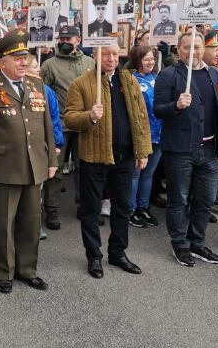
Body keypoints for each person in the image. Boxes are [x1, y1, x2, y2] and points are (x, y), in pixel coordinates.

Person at [0, 29, 57, 293]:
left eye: (25, 57)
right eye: (17, 58)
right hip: (5, 167)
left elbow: (46, 125)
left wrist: (51, 159)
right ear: (2, 62)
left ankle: (27, 270)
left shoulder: (36, 84)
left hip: (34, 165)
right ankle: (4, 272)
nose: (23, 63)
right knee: (4, 225)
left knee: (31, 223)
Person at [64, 44, 151, 278]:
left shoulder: (129, 81)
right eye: (106, 54)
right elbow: (70, 118)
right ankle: (94, 256)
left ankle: (118, 252)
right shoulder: (81, 83)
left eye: (115, 54)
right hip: (94, 158)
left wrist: (142, 151)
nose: (111, 59)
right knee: (91, 209)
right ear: (95, 56)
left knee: (122, 208)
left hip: (124, 157)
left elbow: (141, 116)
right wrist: (89, 117)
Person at [154, 33, 218, 266]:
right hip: (181, 149)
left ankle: (197, 242)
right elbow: (158, 110)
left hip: (208, 149)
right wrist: (175, 106)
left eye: (196, 47)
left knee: (205, 200)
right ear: (179, 50)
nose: (192, 52)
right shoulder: (168, 75)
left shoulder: (212, 74)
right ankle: (180, 244)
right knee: (179, 199)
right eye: (187, 48)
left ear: (203, 48)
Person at [40, 25, 95, 227]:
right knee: (54, 169)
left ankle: (84, 206)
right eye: (61, 39)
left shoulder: (90, 63)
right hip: (60, 126)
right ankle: (52, 209)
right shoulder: (49, 65)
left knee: (84, 169)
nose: (64, 42)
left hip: (83, 124)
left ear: (78, 40)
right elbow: (43, 95)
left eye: (68, 39)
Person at [127, 46, 163, 228]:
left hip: (159, 135)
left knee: (148, 174)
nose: (150, 62)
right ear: (137, 60)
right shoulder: (131, 80)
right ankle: (131, 209)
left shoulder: (158, 79)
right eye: (146, 59)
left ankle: (143, 207)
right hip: (141, 135)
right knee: (136, 173)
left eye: (152, 59)